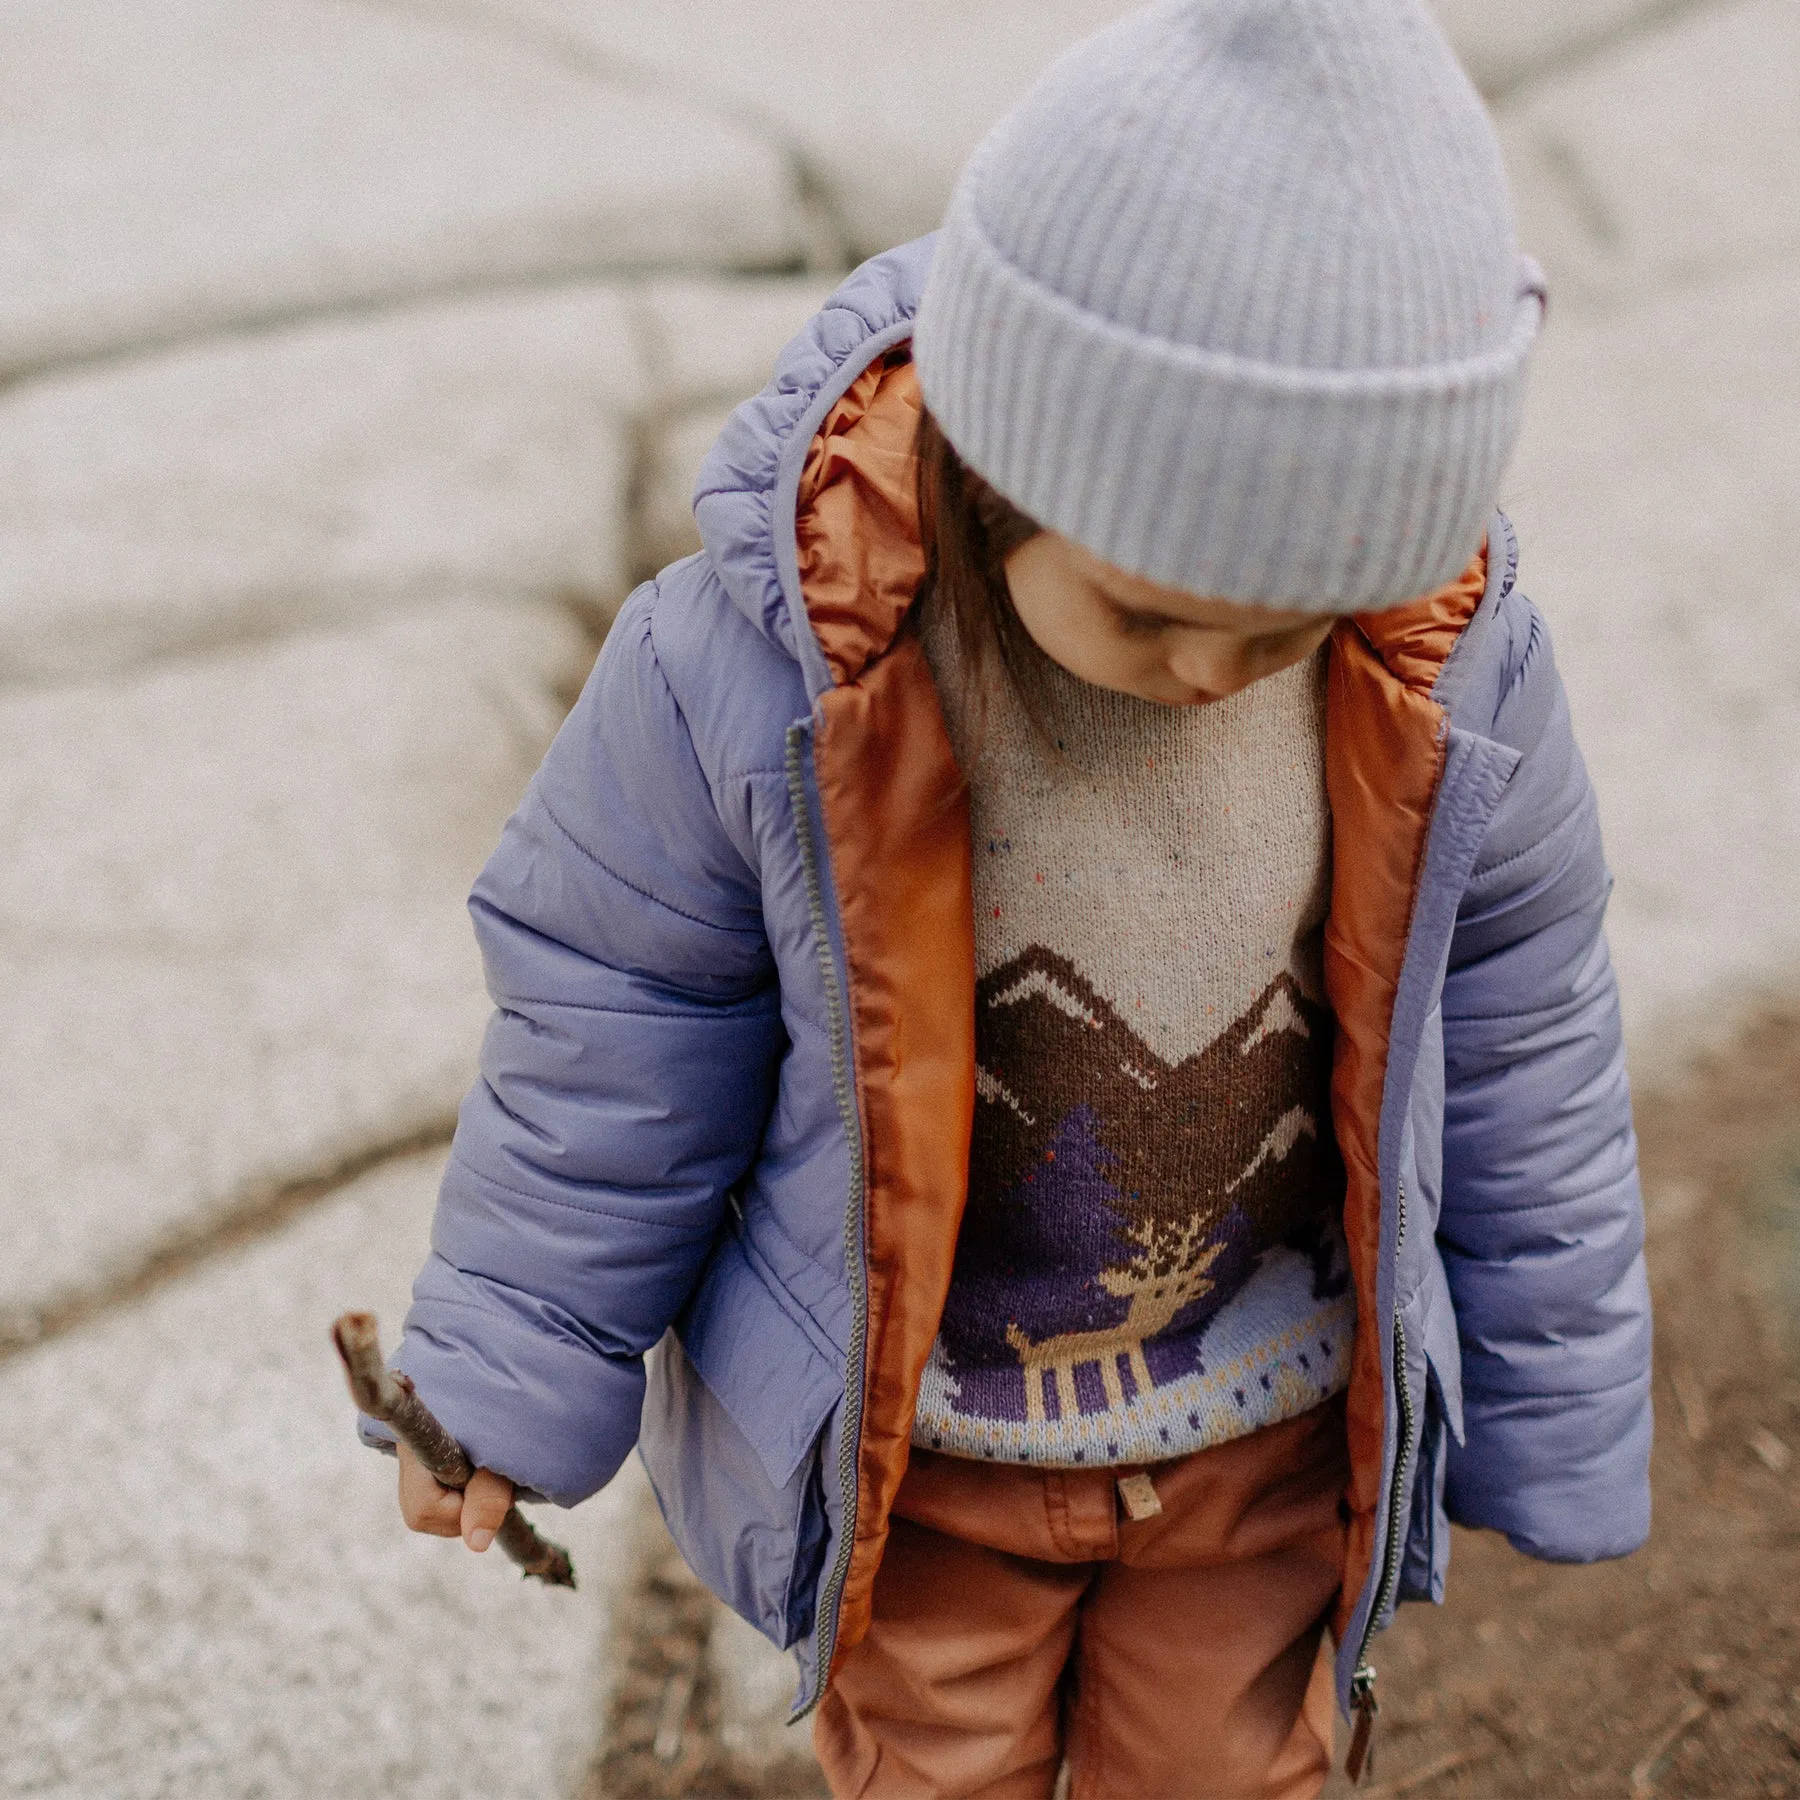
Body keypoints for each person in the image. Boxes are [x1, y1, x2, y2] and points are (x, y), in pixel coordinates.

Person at [364, 2, 1653, 1794]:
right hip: (931, 1465)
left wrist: (1553, 1393)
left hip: (1265, 1441)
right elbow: (612, 1034)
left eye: (1284, 628)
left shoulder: (1451, 683)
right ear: (999, 454)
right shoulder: (756, 684)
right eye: (1149, 609)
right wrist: (502, 1374)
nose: (1217, 669)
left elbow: (1524, 1037)